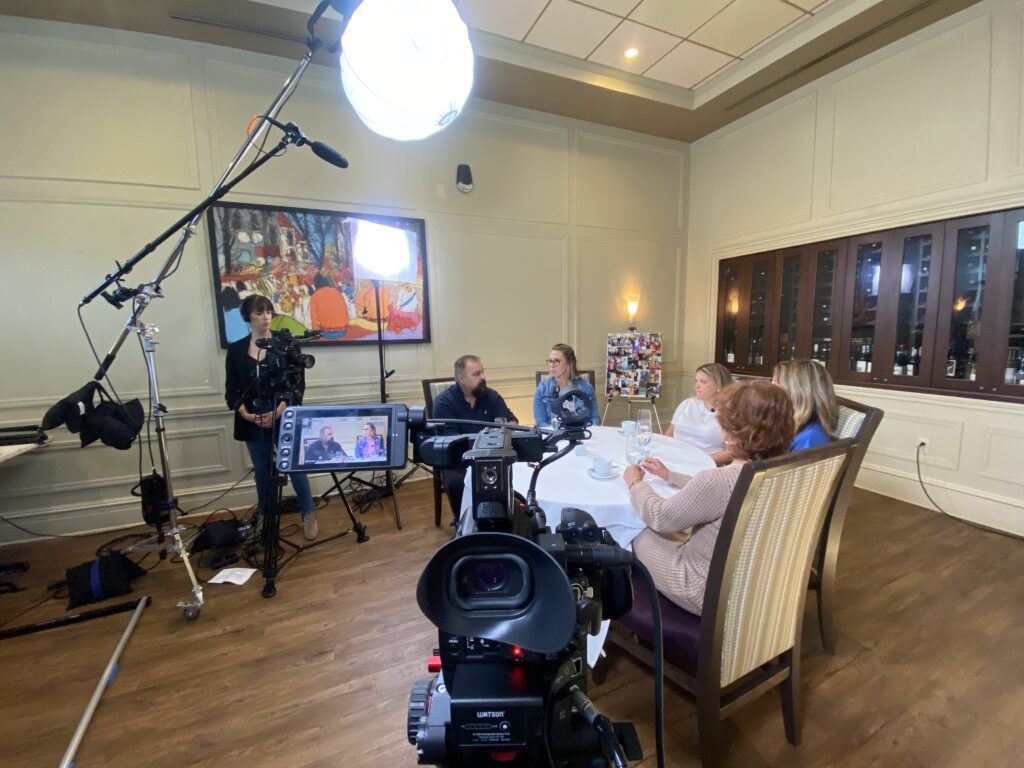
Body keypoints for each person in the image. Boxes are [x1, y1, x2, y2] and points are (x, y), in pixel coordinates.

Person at [621, 380, 794, 615]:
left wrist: (635, 483)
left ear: (735, 428)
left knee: (629, 528)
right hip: (753, 585)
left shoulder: (719, 481)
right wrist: (669, 475)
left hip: (700, 587)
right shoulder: (785, 473)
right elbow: (711, 495)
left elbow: (659, 517)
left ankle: (616, 610)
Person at [224, 294, 319, 540]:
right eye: (259, 312)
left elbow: (297, 385)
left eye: (268, 311)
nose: (266, 317)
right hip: (251, 417)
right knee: (262, 470)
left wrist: (277, 412)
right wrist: (246, 414)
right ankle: (265, 516)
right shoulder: (235, 351)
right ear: (248, 317)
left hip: (282, 413)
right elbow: (231, 390)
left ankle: (308, 513)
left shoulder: (286, 345)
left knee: (294, 466)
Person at [432, 355, 519, 522]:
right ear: (461, 379)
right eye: (476, 374)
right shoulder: (443, 402)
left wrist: (504, 431)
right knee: (455, 481)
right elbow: (450, 440)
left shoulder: (491, 396)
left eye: (483, 372)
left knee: (513, 472)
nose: (483, 378)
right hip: (460, 458)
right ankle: (463, 521)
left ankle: (502, 518)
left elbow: (512, 421)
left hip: (493, 454)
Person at [664, 362, 733, 465]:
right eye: (696, 381)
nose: (697, 386)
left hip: (706, 466)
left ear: (718, 385)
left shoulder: (731, 413)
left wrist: (698, 461)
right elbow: (669, 433)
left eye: (703, 382)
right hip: (675, 460)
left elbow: (731, 453)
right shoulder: (687, 404)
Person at [772, 359, 838, 450]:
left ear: (797, 392)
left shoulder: (809, 440)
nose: (771, 387)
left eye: (776, 383)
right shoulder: (796, 424)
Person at [533, 343, 601, 428]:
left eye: (556, 361)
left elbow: (595, 418)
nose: (552, 365)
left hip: (583, 435)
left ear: (569, 363)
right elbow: (540, 423)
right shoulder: (543, 388)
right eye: (550, 361)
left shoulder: (586, 387)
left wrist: (582, 433)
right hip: (553, 436)